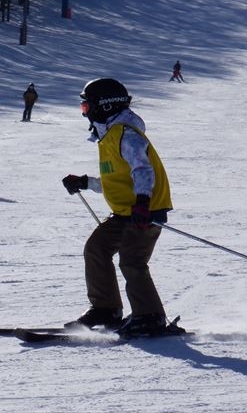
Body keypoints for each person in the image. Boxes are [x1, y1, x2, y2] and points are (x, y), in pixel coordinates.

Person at [61, 78, 184, 339]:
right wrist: (85, 182)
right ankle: (106, 310)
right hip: (126, 212)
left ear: (103, 105)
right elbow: (116, 180)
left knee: (132, 261)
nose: (84, 111)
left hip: (145, 211)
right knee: (96, 249)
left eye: (86, 106)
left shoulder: (126, 135)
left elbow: (142, 170)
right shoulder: (108, 136)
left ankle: (150, 317)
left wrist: (142, 203)